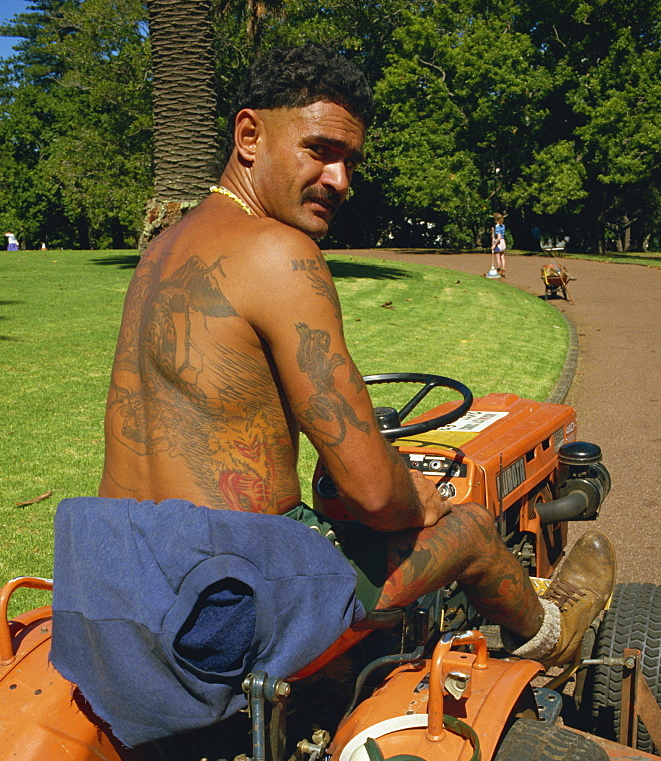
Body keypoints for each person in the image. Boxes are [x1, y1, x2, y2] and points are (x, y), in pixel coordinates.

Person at [99, 42, 614, 671]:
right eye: (320, 150)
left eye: (350, 160)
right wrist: (420, 499)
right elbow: (373, 492)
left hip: (117, 580)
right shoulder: (279, 252)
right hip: (221, 610)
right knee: (474, 530)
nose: (341, 179)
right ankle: (552, 636)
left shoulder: (166, 247)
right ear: (249, 134)